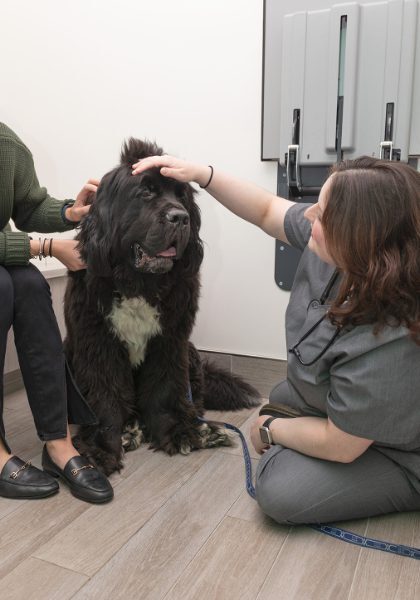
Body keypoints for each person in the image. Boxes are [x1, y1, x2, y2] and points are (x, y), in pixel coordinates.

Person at [132, 153, 420, 524]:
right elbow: (267, 210)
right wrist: (202, 174)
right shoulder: (339, 246)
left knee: (280, 494)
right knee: (286, 400)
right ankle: (310, 419)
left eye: (322, 212)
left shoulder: (394, 334)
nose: (309, 215)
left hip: (396, 450)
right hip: (338, 412)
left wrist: (269, 429)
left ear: (362, 236)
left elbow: (343, 445)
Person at [0, 122, 113, 503]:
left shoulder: (5, 143)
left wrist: (71, 212)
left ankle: (58, 441)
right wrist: (47, 246)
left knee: (29, 284)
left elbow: (29, 206)